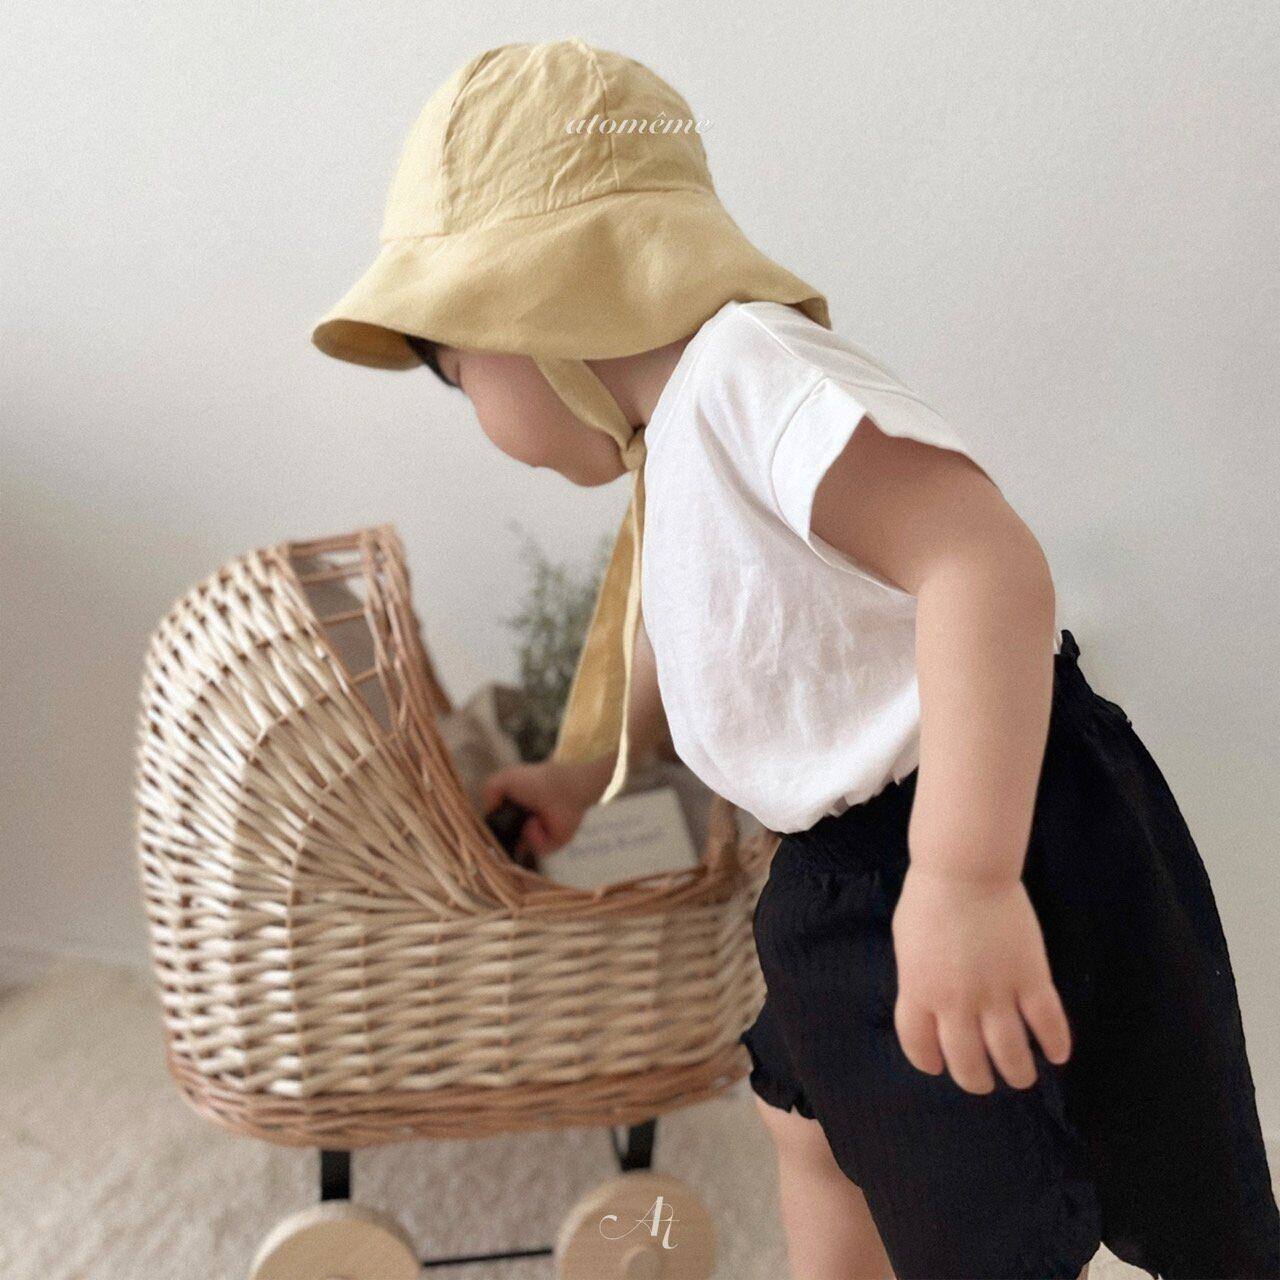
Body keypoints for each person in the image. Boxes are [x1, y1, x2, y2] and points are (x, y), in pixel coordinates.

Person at [311, 38, 1280, 1280]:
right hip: (832, 875)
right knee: (809, 1124)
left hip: (970, 825)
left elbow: (982, 564)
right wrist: (584, 773)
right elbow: (684, 635)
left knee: (991, 1196)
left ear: (528, 306)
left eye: (455, 372)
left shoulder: (747, 374)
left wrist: (964, 876)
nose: (473, 407)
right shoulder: (677, 444)